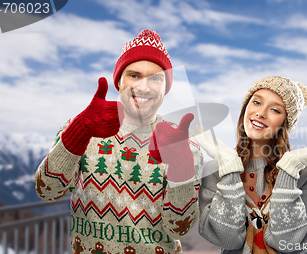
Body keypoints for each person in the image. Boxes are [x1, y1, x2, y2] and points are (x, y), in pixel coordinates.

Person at [34, 30, 202, 254]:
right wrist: (80, 131)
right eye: (134, 75)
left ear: (165, 88)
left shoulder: (184, 146)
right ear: (119, 82)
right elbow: (48, 191)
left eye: (156, 78)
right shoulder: (80, 127)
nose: (144, 87)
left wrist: (181, 169)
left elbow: (178, 229)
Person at [196, 75, 307, 253]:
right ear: (245, 108)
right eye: (256, 102)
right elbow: (227, 240)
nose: (260, 113)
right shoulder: (215, 170)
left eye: (275, 110)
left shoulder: (305, 172)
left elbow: (288, 242)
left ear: (285, 124)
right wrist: (229, 168)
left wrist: (289, 170)